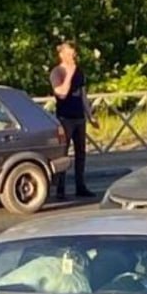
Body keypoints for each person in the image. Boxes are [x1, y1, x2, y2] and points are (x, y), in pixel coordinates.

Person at [50, 41, 97, 198]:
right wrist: (69, 74)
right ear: (61, 55)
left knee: (80, 153)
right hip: (64, 118)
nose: (73, 57)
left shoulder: (80, 72)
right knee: (63, 154)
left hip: (79, 117)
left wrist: (90, 116)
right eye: (69, 54)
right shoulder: (57, 72)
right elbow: (61, 93)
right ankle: (60, 189)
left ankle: (80, 186)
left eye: (74, 54)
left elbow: (83, 95)